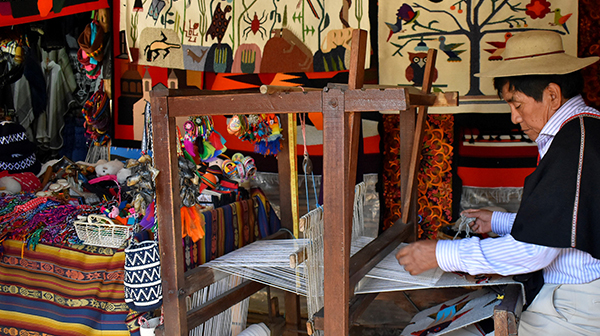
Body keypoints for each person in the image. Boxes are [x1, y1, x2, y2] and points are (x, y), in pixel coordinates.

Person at [396, 30, 600, 335]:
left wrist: (439, 253)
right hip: (568, 295)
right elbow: (563, 222)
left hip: (576, 304)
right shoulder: (581, 133)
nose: (514, 118)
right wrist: (499, 221)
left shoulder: (575, 146)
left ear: (552, 95)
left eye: (517, 104)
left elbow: (536, 250)